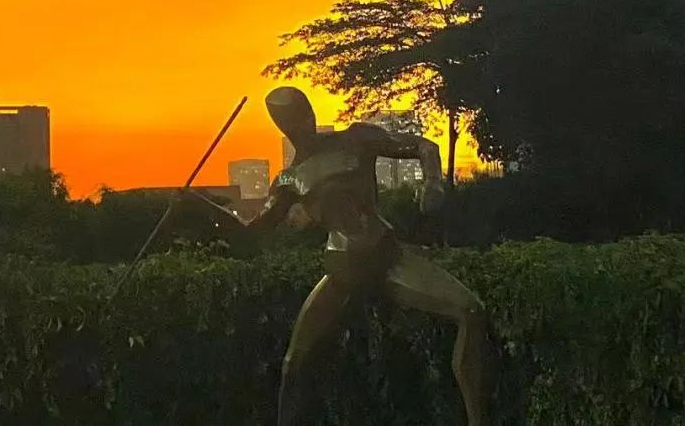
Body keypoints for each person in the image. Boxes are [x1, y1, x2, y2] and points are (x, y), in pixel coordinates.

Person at [188, 87, 492, 425]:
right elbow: (254, 232)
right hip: (341, 272)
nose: (304, 122)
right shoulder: (289, 180)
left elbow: (424, 146)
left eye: (305, 112)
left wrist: (433, 182)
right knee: (293, 362)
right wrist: (203, 206)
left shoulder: (356, 138)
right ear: (282, 126)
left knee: (470, 311)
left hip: (386, 257)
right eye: (292, 119)